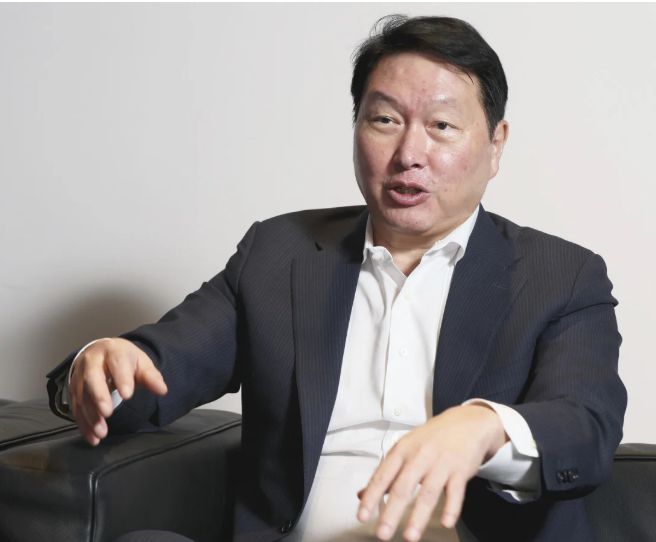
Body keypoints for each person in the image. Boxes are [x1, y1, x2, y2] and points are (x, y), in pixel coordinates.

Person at [47, 15, 626, 542]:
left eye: (442, 125)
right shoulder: (279, 255)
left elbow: (586, 428)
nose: (409, 153)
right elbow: (157, 369)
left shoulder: (560, 276)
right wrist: (100, 368)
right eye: (385, 120)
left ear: (496, 145)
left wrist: (484, 428)